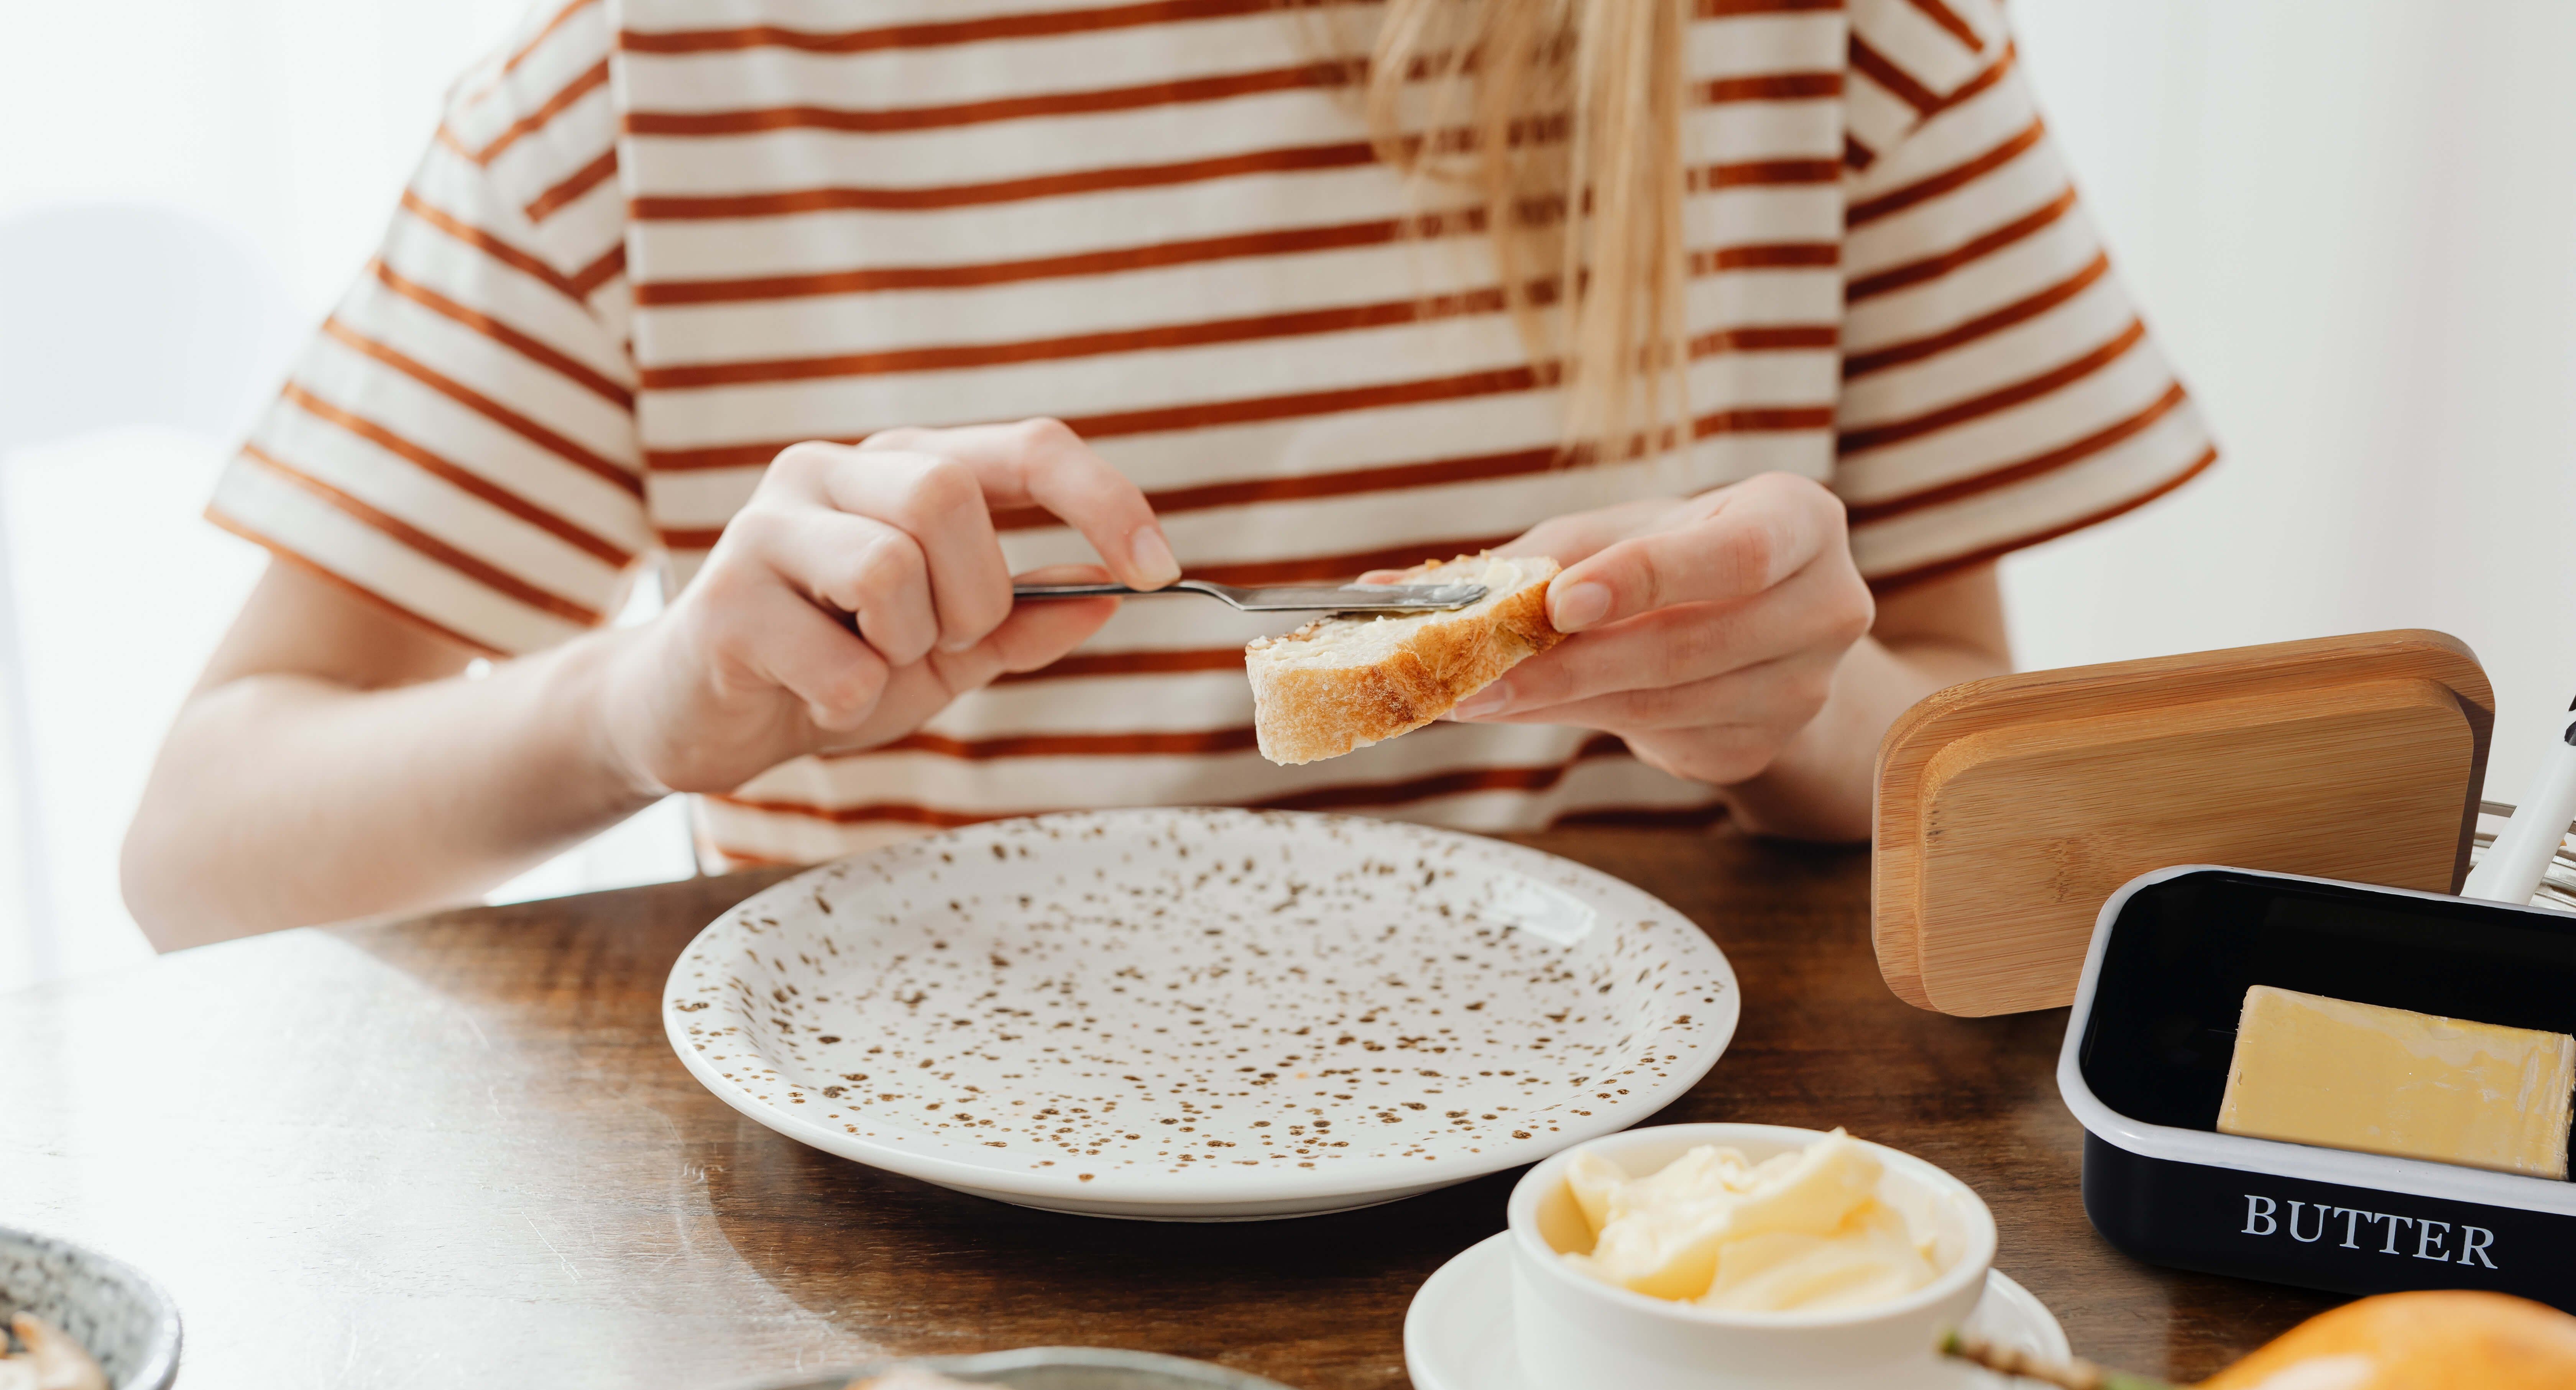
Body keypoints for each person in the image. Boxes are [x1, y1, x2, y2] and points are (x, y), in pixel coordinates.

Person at [122, 0, 2213, 950]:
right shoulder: (638, 85)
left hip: (1607, 1250)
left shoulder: (1827, 39)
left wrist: (1788, 712)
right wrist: (632, 708)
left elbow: (1987, 774)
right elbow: (198, 847)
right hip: (876, 1263)